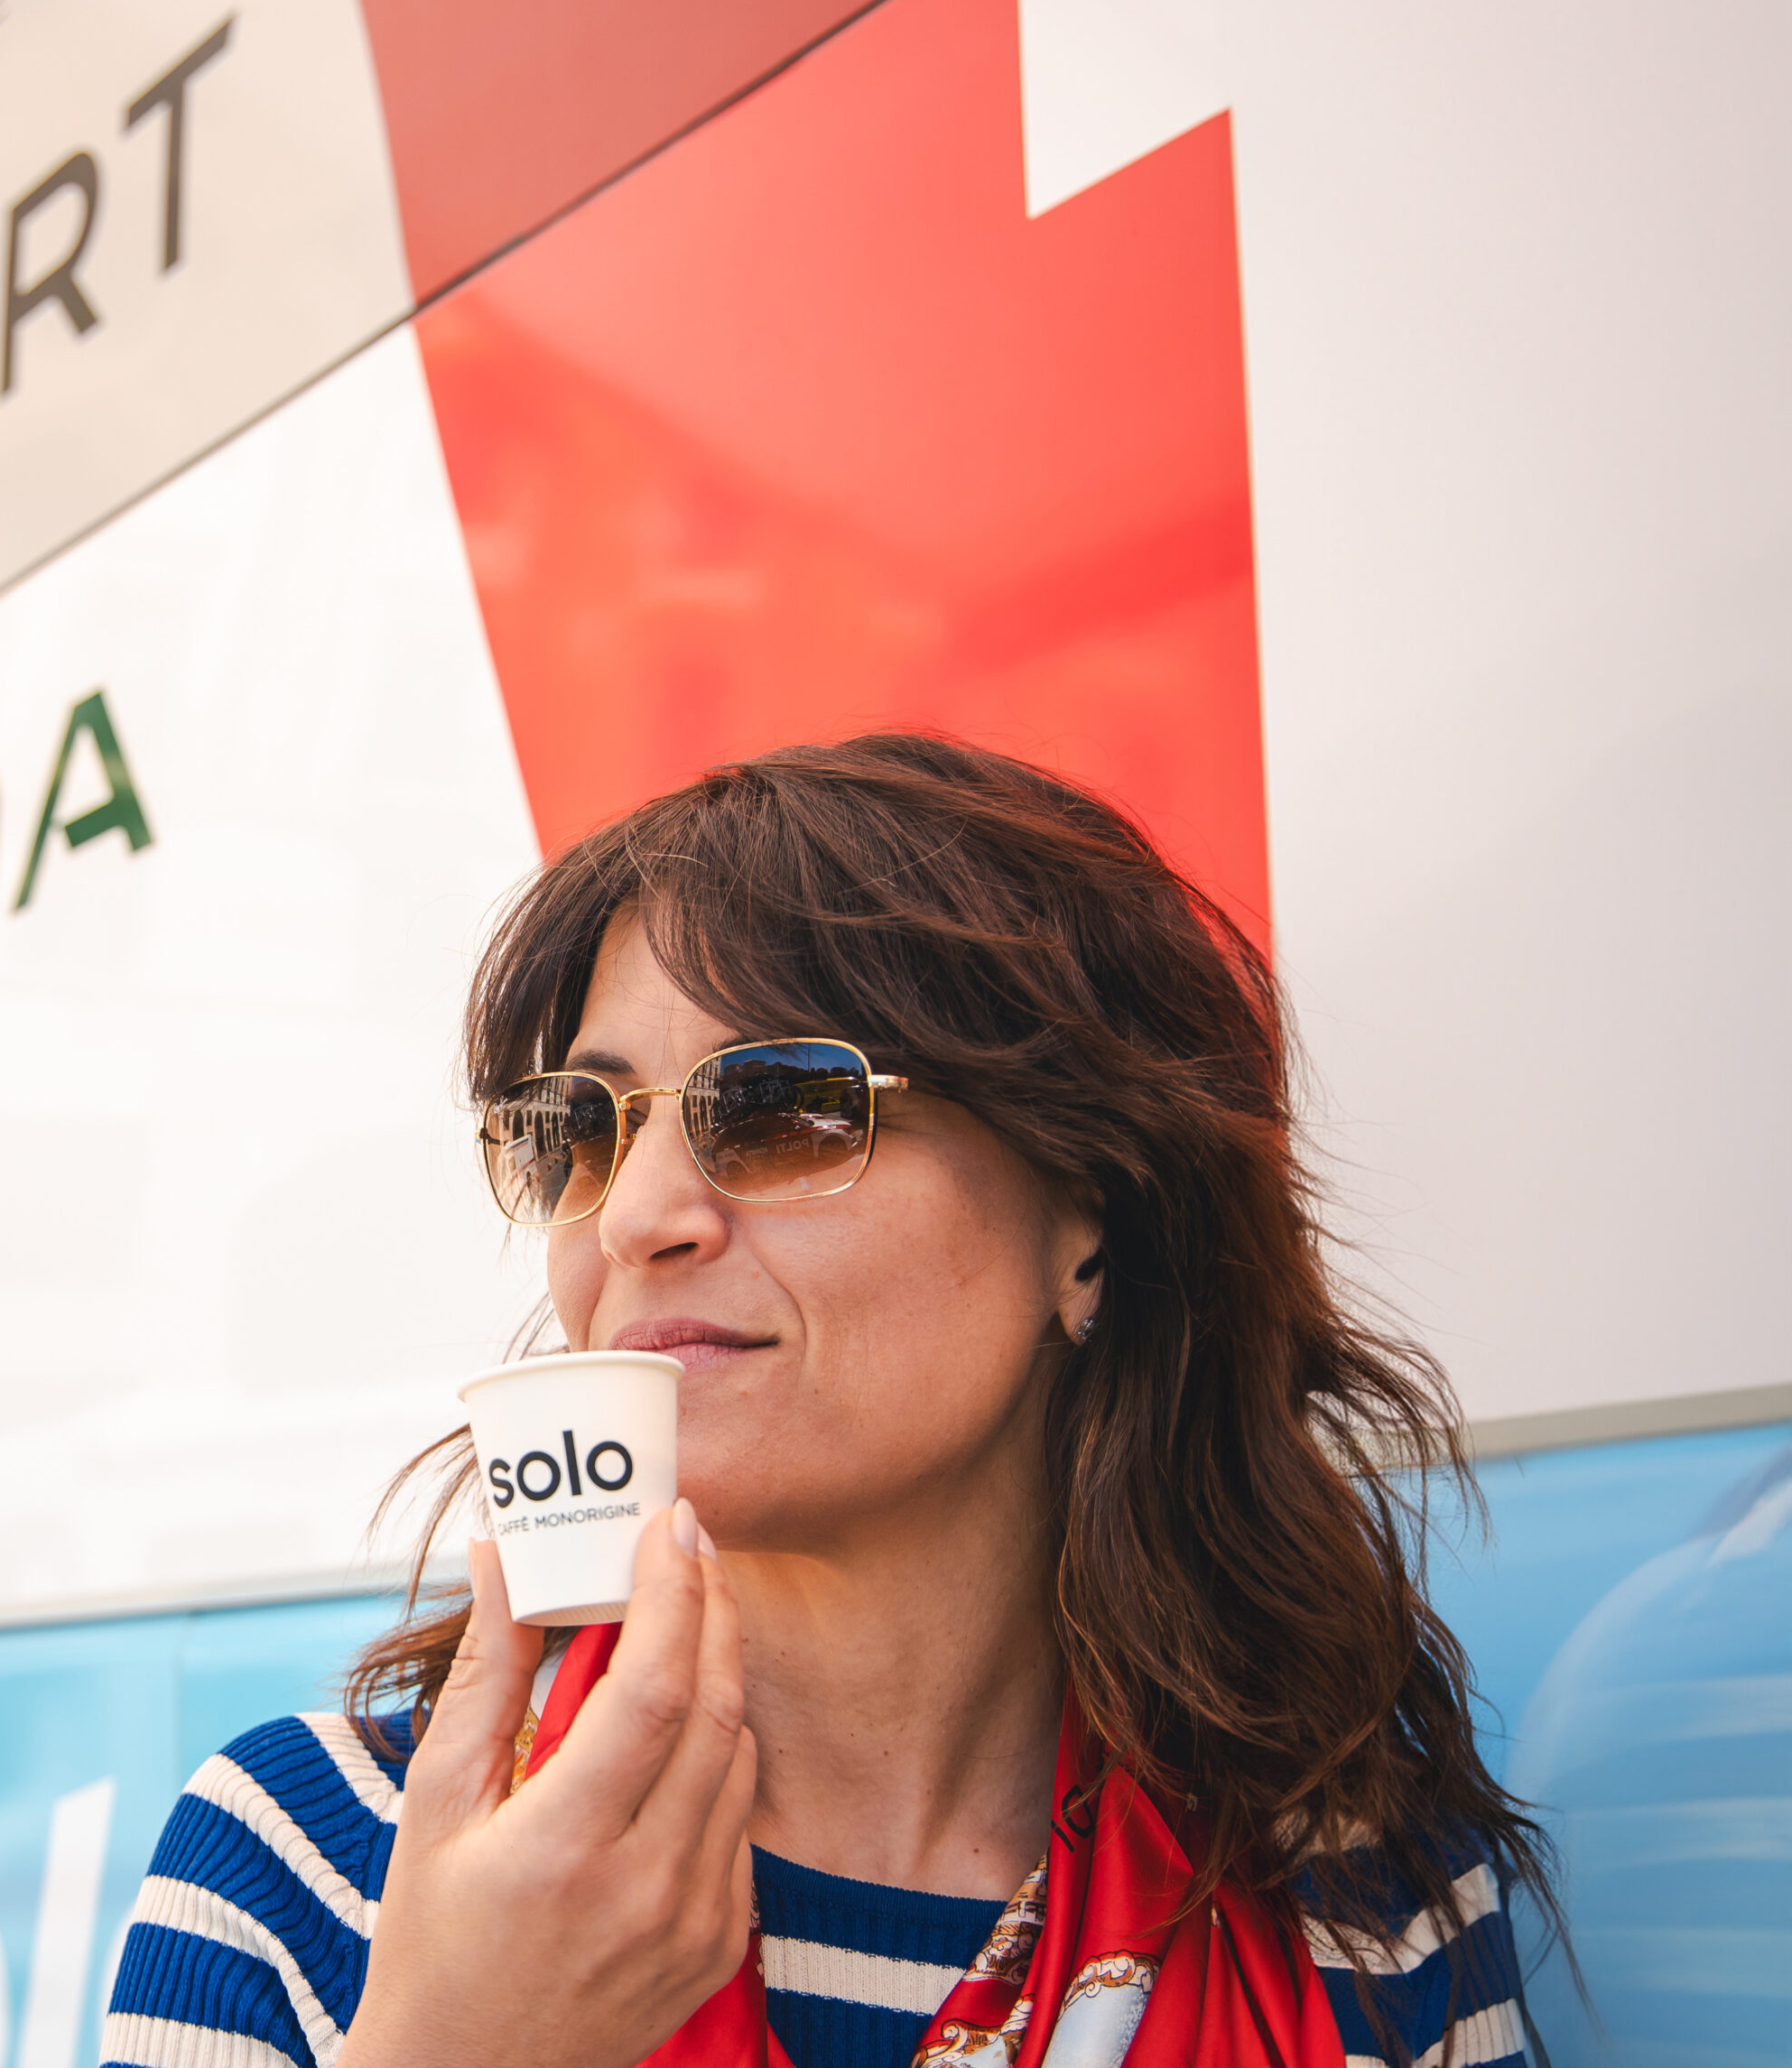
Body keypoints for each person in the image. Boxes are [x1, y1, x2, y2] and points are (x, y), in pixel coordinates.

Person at [100, 736, 1555, 2068]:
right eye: (583, 1129)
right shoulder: (312, 1860)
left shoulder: (1351, 1910)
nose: (637, 1219)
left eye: (788, 1105)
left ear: (1089, 1221)